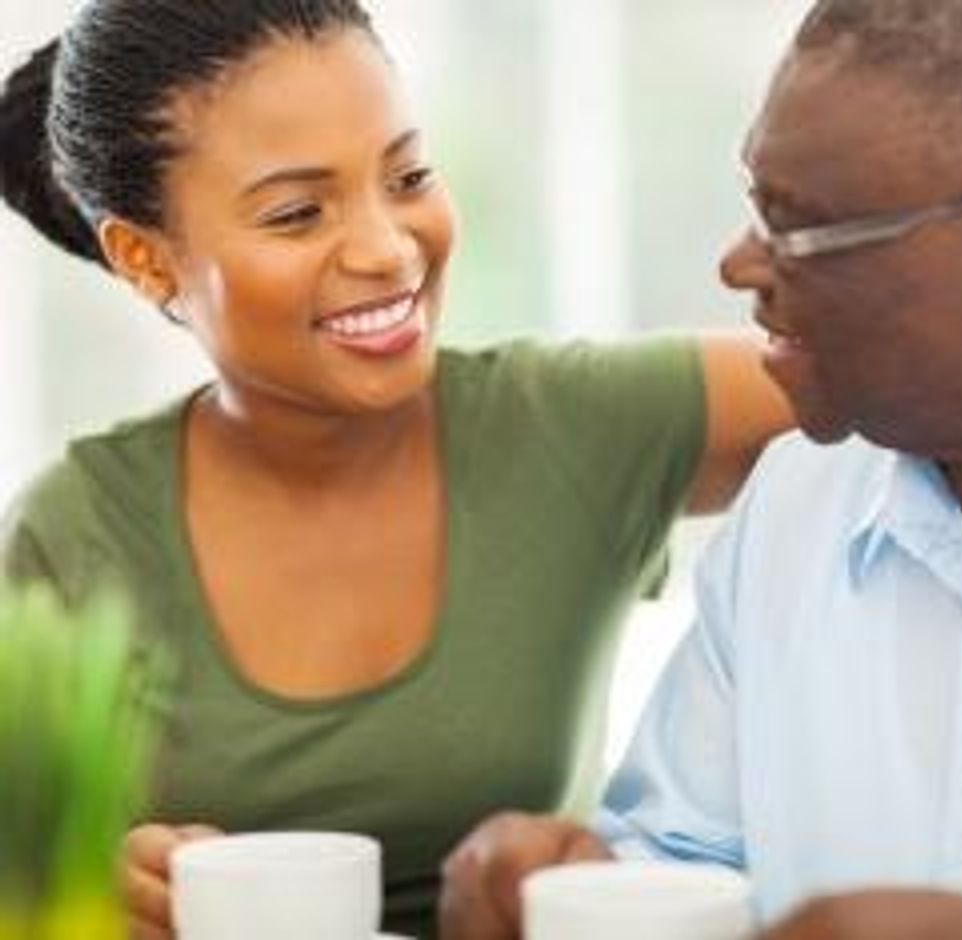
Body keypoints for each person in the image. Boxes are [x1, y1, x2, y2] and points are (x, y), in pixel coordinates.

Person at [0, 1, 791, 937]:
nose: (386, 248)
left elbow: (889, 369)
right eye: (298, 214)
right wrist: (88, 883)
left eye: (408, 175)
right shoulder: (72, 537)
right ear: (143, 258)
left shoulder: (578, 427)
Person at [438, 1, 962, 938]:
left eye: (798, 229)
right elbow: (690, 853)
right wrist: (591, 885)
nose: (738, 265)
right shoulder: (799, 498)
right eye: (756, 208)